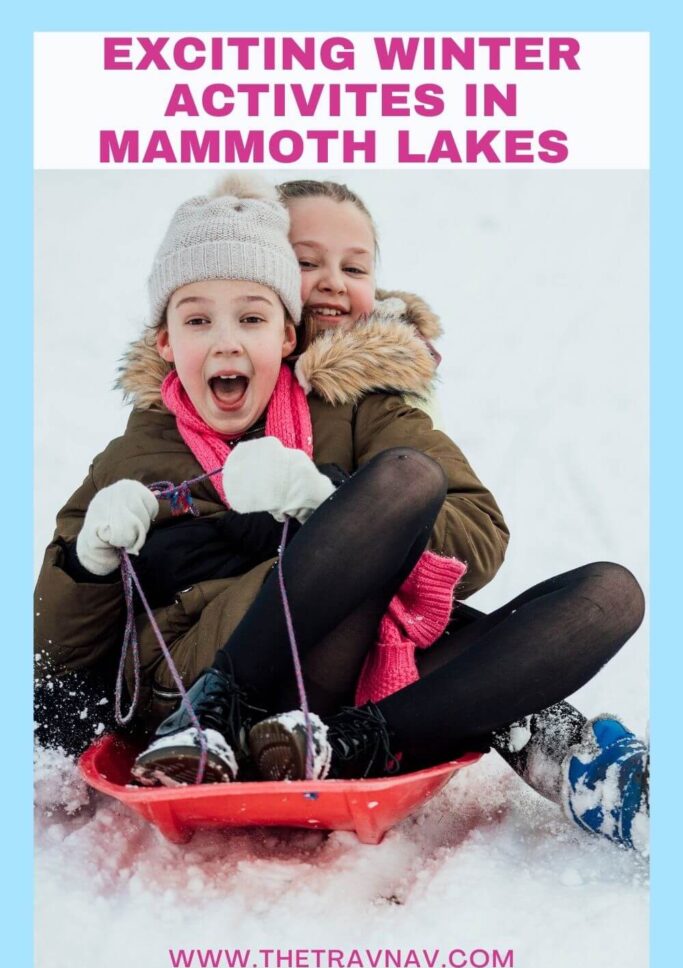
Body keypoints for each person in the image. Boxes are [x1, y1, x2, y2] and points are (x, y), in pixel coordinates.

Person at [34, 175, 648, 854]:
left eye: (352, 266)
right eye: (305, 262)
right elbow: (53, 650)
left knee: (606, 592)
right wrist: (88, 562)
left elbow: (474, 534)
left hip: (347, 682)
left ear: (285, 331)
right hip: (202, 669)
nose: (329, 283)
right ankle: (216, 708)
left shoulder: (369, 409)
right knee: (401, 501)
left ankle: (362, 743)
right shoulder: (144, 444)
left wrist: (333, 507)